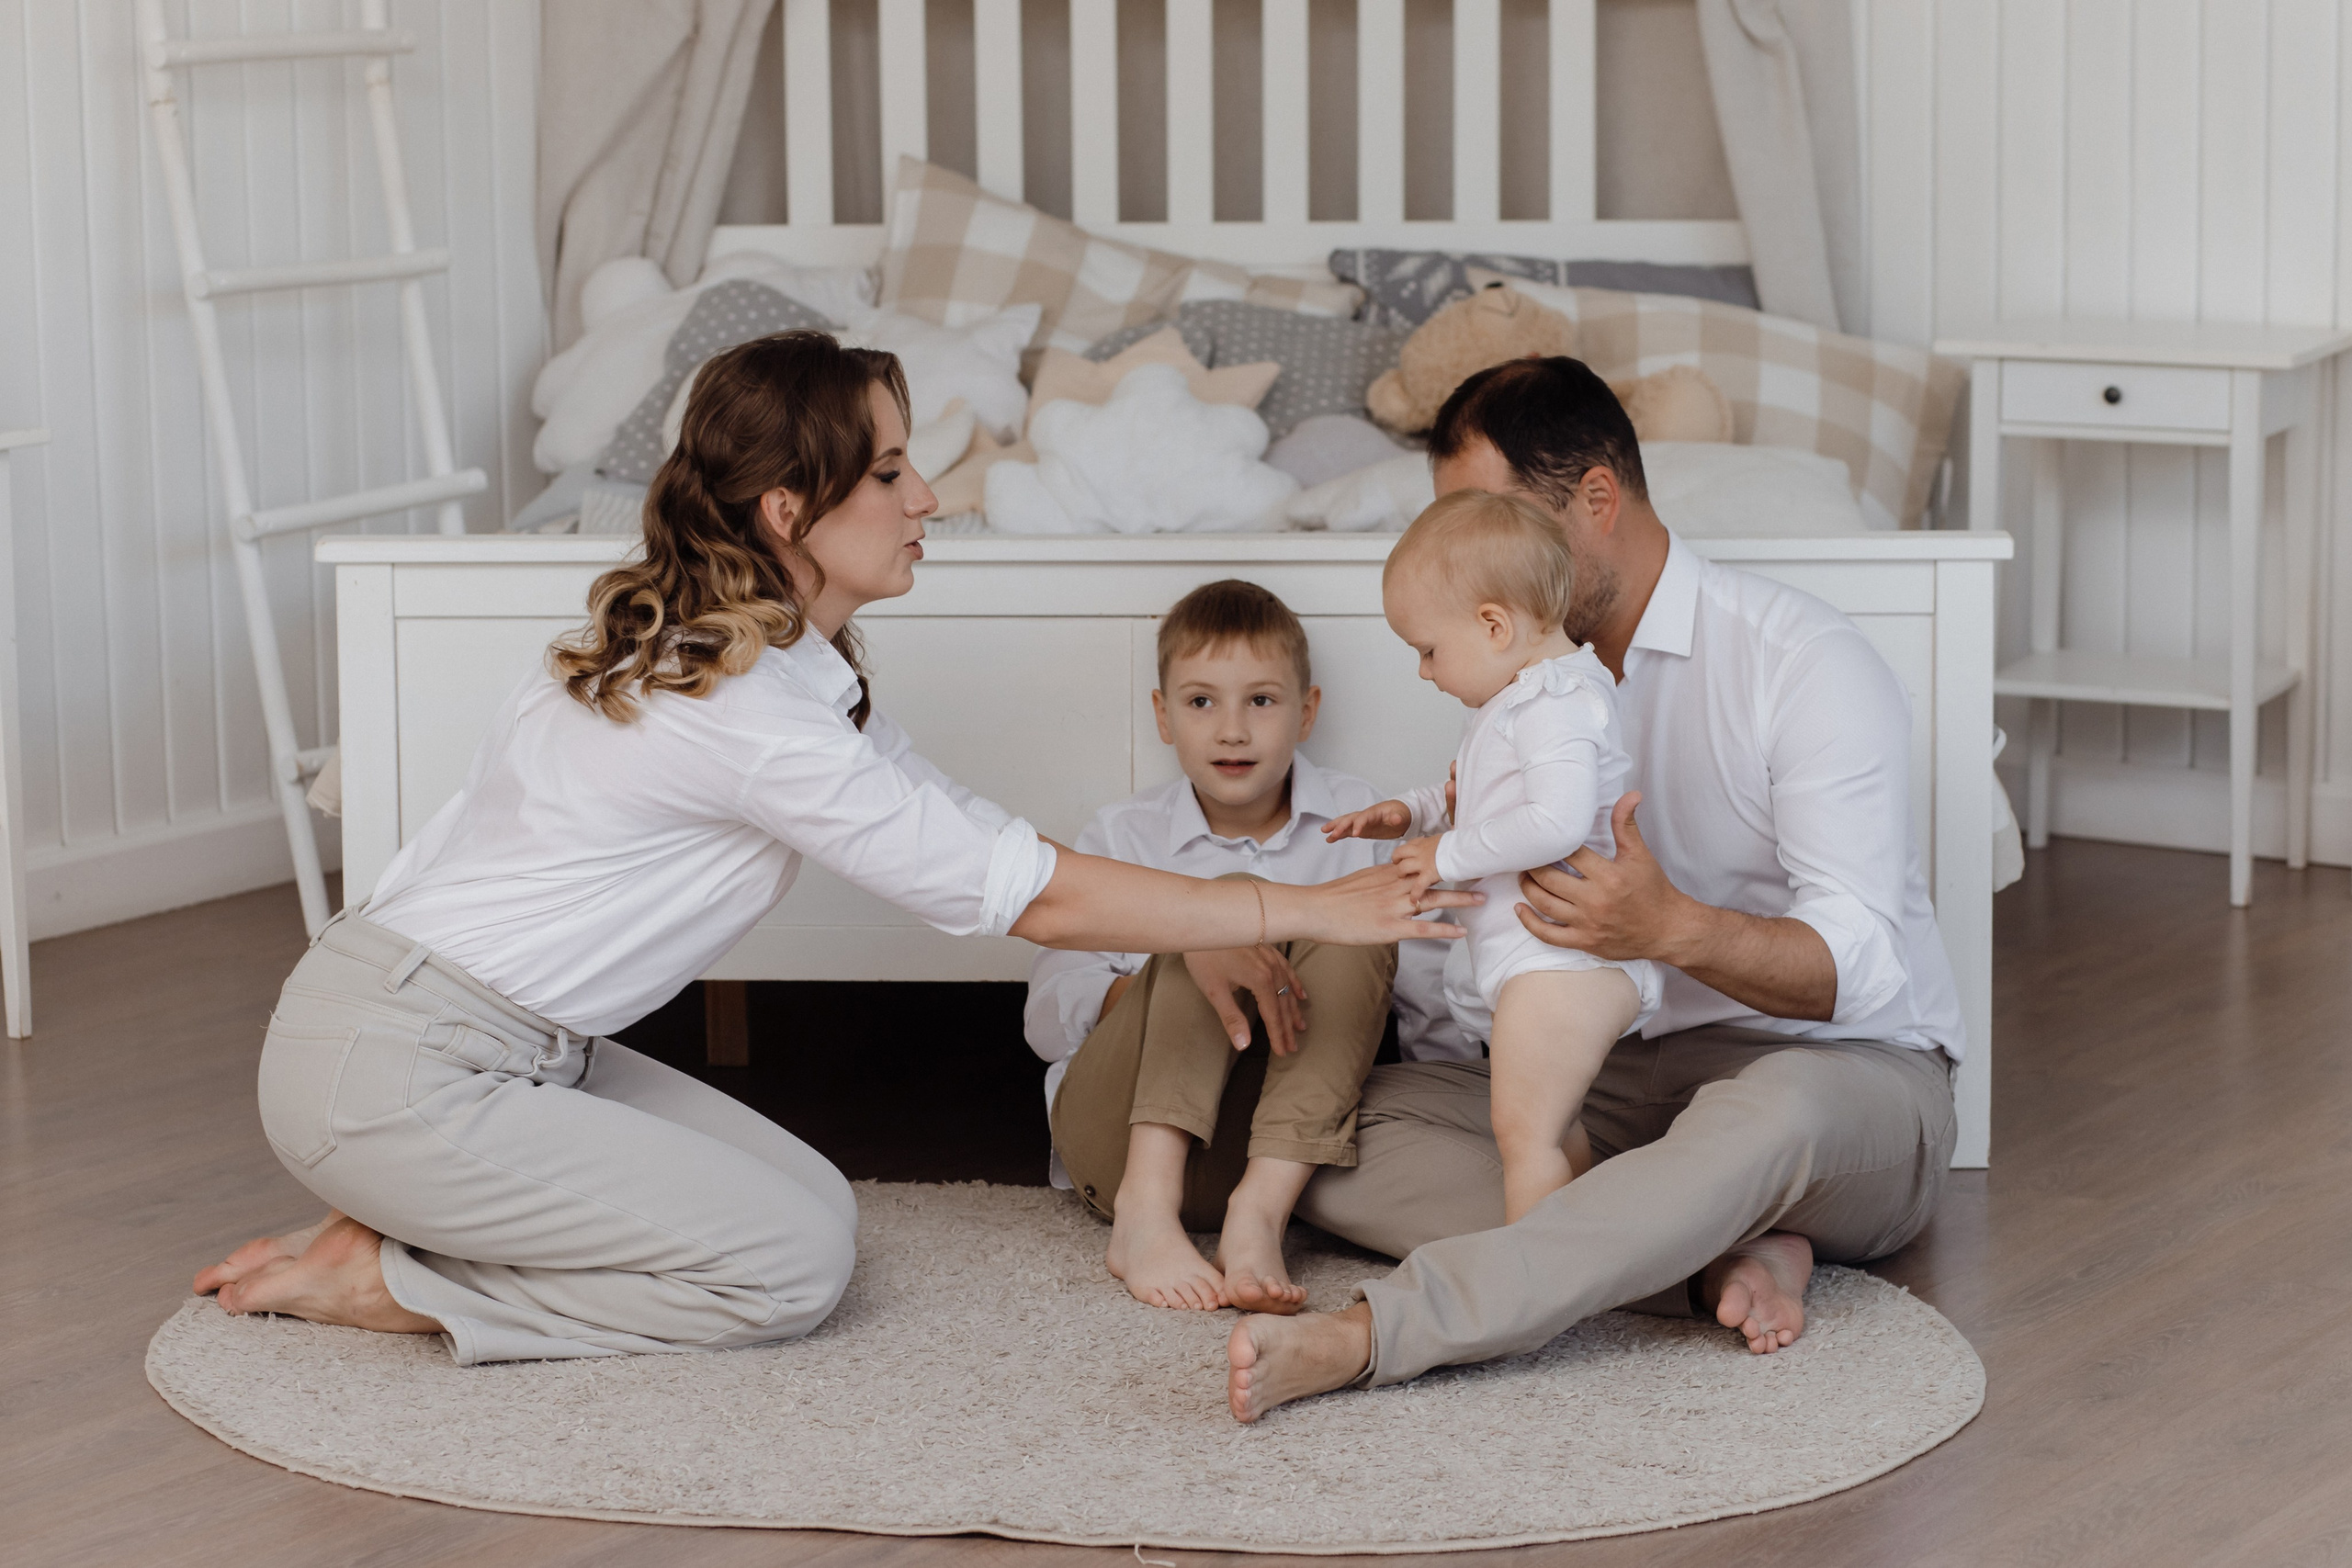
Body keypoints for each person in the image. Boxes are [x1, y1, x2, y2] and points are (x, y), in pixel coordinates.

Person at [191, 332, 1469, 1366]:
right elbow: (1018, 892)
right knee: (786, 1267)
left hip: (490, 1046)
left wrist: (1193, 919)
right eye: (892, 474)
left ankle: (406, 1202)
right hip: (403, 1060)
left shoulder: (788, 666)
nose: (927, 499)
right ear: (790, 507)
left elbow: (969, 824)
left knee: (818, 1206)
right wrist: (1289, 906)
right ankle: (400, 1279)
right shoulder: (744, 710)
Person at [1226, 355, 1963, 1423]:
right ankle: (1709, 1251)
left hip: (1835, 1073)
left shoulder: (1802, 662)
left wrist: (1671, 928)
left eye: (1489, 521)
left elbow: (1853, 975)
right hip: (1618, 1079)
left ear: (1598, 500)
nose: (1467, 564)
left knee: (1766, 1121)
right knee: (1326, 1133)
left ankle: (1379, 1333)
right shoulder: (1516, 677)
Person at [1031, 580, 1470, 1314]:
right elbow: (1046, 1020)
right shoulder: (1121, 836)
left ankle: (1256, 1217)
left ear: (1306, 711)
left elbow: (1432, 1009)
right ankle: (1146, 1214)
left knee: (1352, 913)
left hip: (1289, 1150)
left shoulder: (1358, 827)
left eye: (1260, 701)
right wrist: (1185, 965)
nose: (1232, 730)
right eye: (1202, 701)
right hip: (1120, 1137)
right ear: (1163, 716)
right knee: (1220, 908)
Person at [1325, 490, 1659, 1224]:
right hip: (1541, 966)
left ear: (1494, 626)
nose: (1423, 670)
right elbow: (1485, 795)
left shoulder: (1552, 703)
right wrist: (1413, 811)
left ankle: (1526, 1289)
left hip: (1563, 966)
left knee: (1524, 1135)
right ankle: (1579, 1263)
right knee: (1555, 1131)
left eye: (1428, 650)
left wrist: (1443, 853)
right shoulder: (1521, 701)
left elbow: (1556, 820)